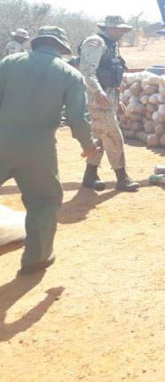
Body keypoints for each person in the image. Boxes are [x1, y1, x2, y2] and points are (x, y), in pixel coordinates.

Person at [0, 26, 98, 274]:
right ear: (62, 48)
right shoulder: (69, 74)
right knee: (44, 201)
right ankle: (37, 259)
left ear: (37, 43)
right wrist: (88, 146)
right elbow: (78, 118)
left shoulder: (9, 63)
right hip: (38, 149)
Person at [78, 15, 139, 192]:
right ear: (109, 28)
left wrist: (116, 101)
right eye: (119, 29)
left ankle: (90, 175)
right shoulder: (95, 42)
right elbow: (87, 71)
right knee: (113, 135)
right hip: (96, 96)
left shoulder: (111, 45)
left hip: (107, 95)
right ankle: (122, 177)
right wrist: (98, 92)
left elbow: (112, 75)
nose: (121, 33)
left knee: (100, 137)